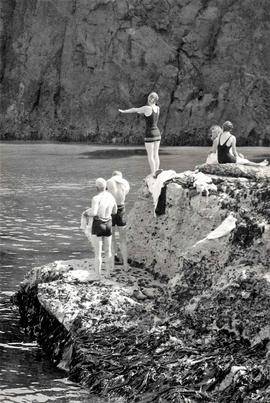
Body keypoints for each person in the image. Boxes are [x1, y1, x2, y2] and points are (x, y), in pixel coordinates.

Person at [119, 92, 161, 175]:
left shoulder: (146, 108)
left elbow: (134, 109)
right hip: (157, 133)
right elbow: (151, 117)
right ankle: (157, 171)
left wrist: (124, 111)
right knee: (156, 154)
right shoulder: (158, 108)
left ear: (150, 98)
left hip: (150, 134)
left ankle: (153, 173)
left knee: (150, 155)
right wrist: (141, 111)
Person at [82, 178, 117, 278]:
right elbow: (114, 211)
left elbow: (94, 213)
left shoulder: (96, 198)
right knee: (108, 251)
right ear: (105, 187)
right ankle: (108, 273)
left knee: (98, 253)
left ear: (97, 187)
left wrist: (86, 213)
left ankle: (98, 275)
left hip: (98, 224)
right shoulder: (111, 197)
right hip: (108, 223)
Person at [107, 171, 130, 270]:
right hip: (121, 209)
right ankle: (125, 265)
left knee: (111, 239)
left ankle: (112, 265)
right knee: (123, 239)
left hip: (111, 210)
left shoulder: (108, 182)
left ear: (112, 175)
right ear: (120, 176)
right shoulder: (124, 182)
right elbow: (125, 193)